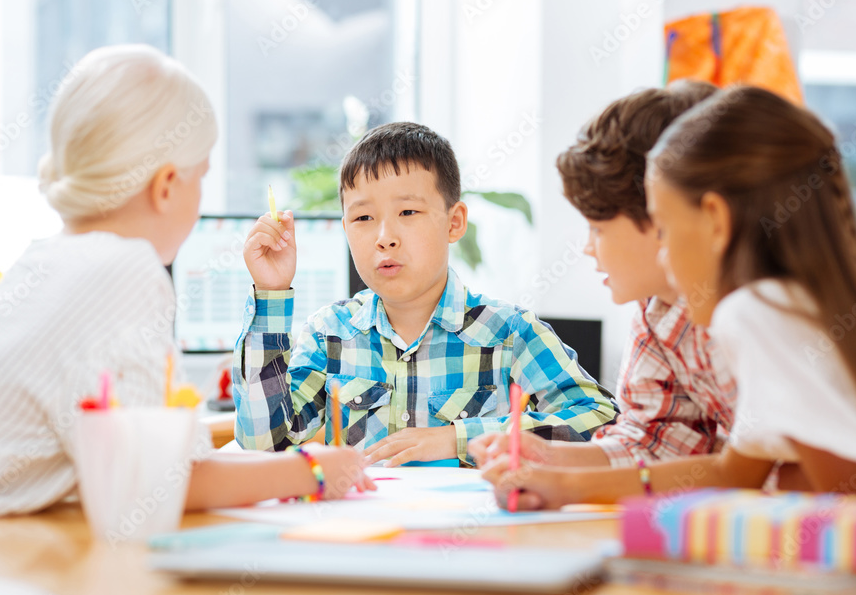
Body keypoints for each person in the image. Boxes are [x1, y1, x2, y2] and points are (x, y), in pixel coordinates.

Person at [0, 45, 371, 524]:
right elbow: (160, 482)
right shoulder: (121, 269)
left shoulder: (50, 259)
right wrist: (313, 471)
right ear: (167, 186)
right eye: (202, 178)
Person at [482, 86, 856, 507]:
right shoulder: (813, 303)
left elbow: (848, 506)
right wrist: (563, 483)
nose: (666, 255)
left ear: (715, 220)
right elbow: (734, 473)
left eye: (666, 230)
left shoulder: (757, 313)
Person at [234, 122, 617, 466]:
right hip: (365, 535)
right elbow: (264, 447)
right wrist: (271, 293)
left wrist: (457, 439)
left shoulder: (509, 333)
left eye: (408, 213)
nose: (385, 237)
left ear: (454, 223)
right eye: (363, 218)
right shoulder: (330, 335)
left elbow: (600, 420)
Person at [471, 81, 734, 473]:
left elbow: (749, 470)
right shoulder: (656, 311)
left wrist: (566, 484)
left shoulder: (748, 314)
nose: (588, 248)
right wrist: (548, 458)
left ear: (663, 214)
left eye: (598, 227)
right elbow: (654, 443)